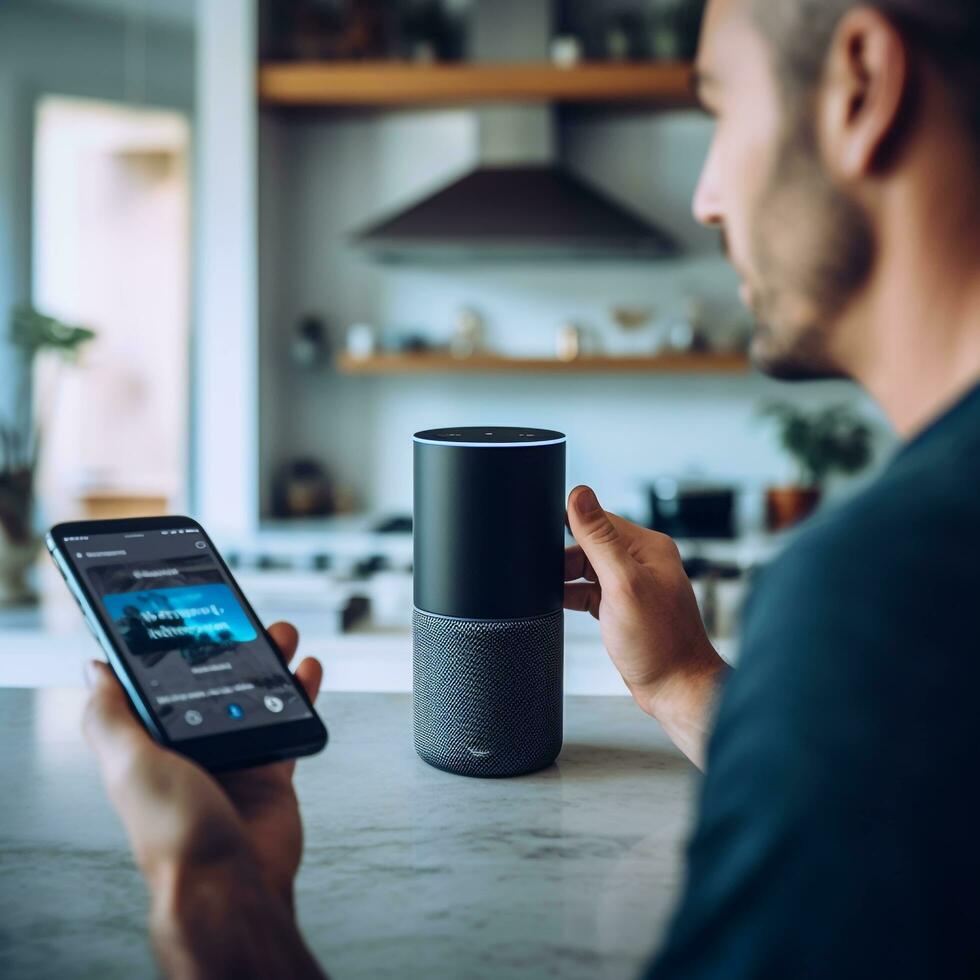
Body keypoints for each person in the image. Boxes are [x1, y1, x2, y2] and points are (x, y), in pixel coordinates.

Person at [82, 0, 980, 975]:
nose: (705, 198)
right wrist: (678, 676)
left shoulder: (888, 592)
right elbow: (887, 798)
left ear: (859, 80)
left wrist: (210, 901)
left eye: (717, 110)